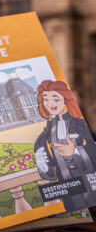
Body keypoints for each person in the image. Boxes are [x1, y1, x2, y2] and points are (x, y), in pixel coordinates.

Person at [34, 80, 96, 212]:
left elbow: (88, 144)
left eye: (55, 99)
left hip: (89, 179)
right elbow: (49, 173)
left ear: (66, 100)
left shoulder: (78, 123)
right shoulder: (46, 133)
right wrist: (43, 163)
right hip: (68, 184)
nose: (50, 104)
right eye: (46, 99)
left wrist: (76, 149)